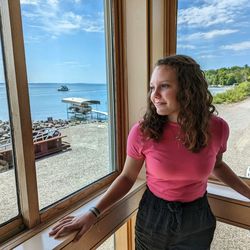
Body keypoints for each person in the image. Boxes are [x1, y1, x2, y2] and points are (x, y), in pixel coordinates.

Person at [49, 55, 250, 249]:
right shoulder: (142, 131)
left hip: (197, 218)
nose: (154, 95)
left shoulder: (217, 128)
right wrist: (92, 212)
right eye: (152, 87)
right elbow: (127, 177)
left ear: (189, 90)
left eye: (164, 86)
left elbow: (218, 165)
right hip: (154, 216)